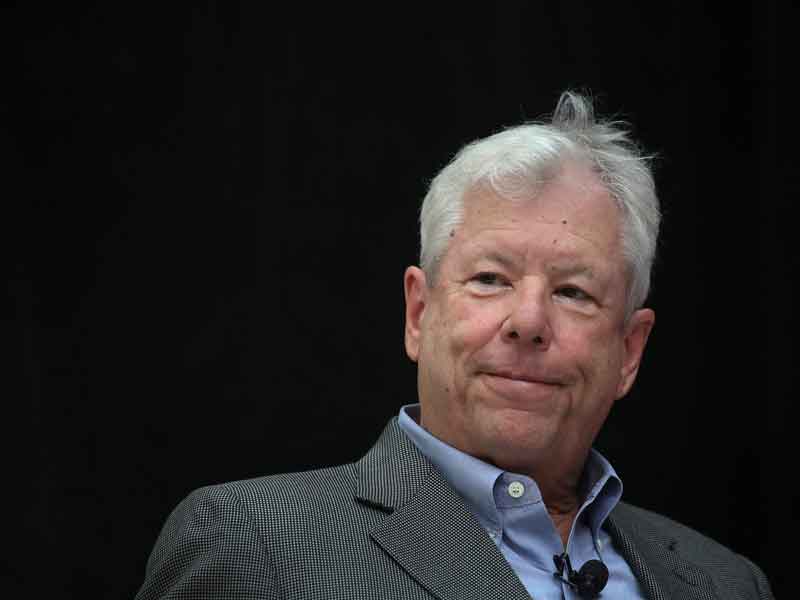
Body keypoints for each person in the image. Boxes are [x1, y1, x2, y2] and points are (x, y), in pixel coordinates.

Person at [135, 91, 774, 599]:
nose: (528, 321)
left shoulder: (726, 583)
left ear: (629, 352)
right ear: (419, 313)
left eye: (574, 292)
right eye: (490, 279)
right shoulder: (254, 544)